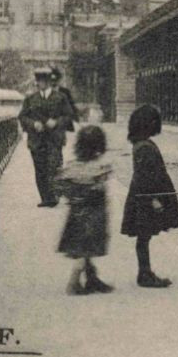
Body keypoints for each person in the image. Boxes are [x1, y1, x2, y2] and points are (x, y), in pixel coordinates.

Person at [120, 104, 178, 288]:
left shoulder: (141, 143)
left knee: (144, 235)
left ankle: (145, 272)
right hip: (145, 197)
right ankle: (144, 273)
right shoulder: (144, 147)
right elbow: (143, 176)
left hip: (143, 195)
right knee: (144, 235)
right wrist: (153, 199)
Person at [56, 124, 114, 295]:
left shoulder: (71, 166)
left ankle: (91, 278)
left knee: (82, 247)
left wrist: (72, 197)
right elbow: (99, 187)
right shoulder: (100, 167)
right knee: (85, 248)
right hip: (93, 214)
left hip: (76, 214)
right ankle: (73, 283)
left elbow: (59, 184)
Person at [19, 66, 78, 207]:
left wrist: (56, 122)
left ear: (49, 82)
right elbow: (22, 116)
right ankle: (46, 198)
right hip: (36, 140)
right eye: (38, 81)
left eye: (43, 81)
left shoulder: (60, 98)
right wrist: (33, 124)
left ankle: (54, 196)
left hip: (54, 139)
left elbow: (69, 116)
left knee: (54, 167)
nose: (40, 83)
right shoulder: (30, 99)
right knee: (40, 169)